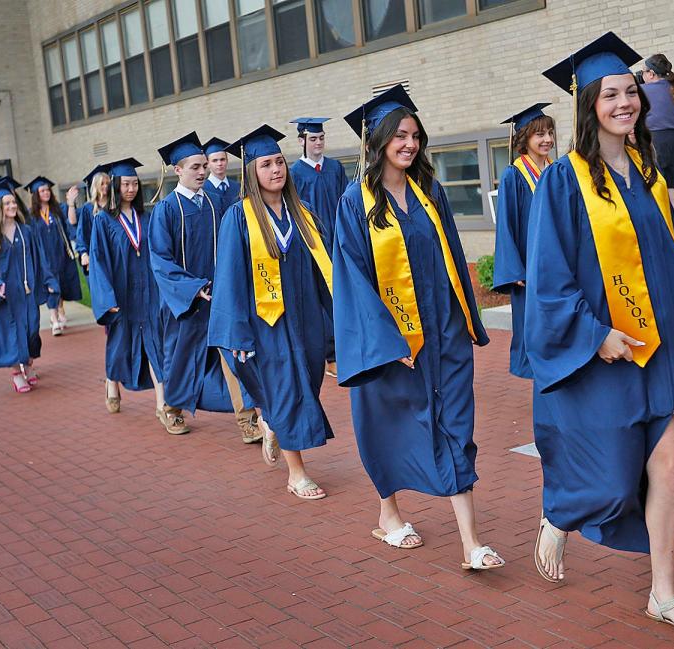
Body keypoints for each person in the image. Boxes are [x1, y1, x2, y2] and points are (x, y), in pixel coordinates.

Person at [530, 32, 674, 642]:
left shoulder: (651, 173)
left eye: (632, 92)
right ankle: (561, 512)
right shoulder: (564, 180)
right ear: (587, 106)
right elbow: (551, 275)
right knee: (613, 472)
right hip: (609, 350)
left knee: (672, 465)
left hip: (668, 347)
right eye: (611, 95)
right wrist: (594, 335)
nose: (625, 103)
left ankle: (665, 594)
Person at [332, 85, 502, 569]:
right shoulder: (355, 202)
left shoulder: (430, 192)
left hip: (443, 334)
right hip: (390, 342)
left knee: (455, 424)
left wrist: (465, 320)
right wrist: (386, 340)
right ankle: (389, 513)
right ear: (378, 141)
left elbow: (450, 257)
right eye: (399, 135)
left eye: (414, 135)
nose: (409, 144)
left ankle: (471, 543)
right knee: (389, 425)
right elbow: (352, 276)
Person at [210, 125, 334, 499]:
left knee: (306, 385)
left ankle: (270, 421)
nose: (276, 170)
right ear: (252, 172)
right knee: (286, 390)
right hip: (267, 325)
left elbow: (325, 270)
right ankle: (297, 473)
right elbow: (229, 277)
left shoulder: (303, 213)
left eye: (279, 162)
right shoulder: (239, 217)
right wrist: (238, 334)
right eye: (266, 164)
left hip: (307, 322)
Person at [149, 131, 260, 442]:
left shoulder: (215, 203)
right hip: (185, 301)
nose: (202, 172)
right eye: (195, 167)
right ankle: (172, 409)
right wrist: (192, 289)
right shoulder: (166, 210)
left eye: (203, 166)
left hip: (220, 296)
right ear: (178, 170)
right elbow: (160, 259)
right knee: (182, 357)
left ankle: (246, 419)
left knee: (233, 356)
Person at [87, 158, 172, 424]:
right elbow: (98, 260)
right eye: (126, 184)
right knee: (120, 343)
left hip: (148, 292)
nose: (131, 189)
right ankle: (112, 383)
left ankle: (162, 404)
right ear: (115, 186)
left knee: (156, 344)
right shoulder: (103, 221)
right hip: (121, 294)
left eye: (135, 183)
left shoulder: (146, 218)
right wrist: (107, 298)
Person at [0, 178, 58, 393]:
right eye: (6, 204)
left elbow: (40, 258)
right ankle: (16, 373)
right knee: (10, 333)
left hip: (26, 290)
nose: (12, 206)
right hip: (4, 293)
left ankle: (29, 364)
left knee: (31, 330)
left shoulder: (26, 232)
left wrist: (48, 281)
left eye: (13, 202)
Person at [493, 103, 555, 379]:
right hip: (529, 267)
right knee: (534, 324)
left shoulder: (557, 170)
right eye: (539, 134)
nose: (547, 140)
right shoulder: (513, 175)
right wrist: (514, 267)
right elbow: (506, 223)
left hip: (557, 261)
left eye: (550, 133)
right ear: (525, 138)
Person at [289, 117, 348, 378]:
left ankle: (346, 346)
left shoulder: (335, 168)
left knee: (343, 294)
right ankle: (330, 354)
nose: (318, 142)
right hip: (313, 244)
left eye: (321, 137)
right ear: (301, 141)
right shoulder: (294, 173)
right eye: (313, 138)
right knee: (322, 297)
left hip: (339, 240)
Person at [25, 176, 82, 335]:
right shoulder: (32, 215)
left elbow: (71, 222)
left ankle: (60, 309)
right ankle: (54, 319)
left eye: (47, 190)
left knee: (61, 283)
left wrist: (71, 203)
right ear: (36, 194)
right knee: (50, 285)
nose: (46, 193)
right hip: (43, 257)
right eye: (42, 190)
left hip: (60, 253)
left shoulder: (59, 209)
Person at [641, 53, 674, 227]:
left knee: (655, 190)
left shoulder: (645, 90)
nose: (642, 76)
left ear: (652, 74)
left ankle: (665, 235)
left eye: (644, 72)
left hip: (655, 141)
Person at [75, 165, 110, 277]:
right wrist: (84, 253)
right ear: (96, 186)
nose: (105, 186)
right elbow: (81, 233)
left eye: (107, 183)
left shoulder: (114, 205)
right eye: (102, 183)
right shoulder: (88, 208)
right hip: (95, 254)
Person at [202, 137, 240, 216]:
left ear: (227, 161)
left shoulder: (238, 187)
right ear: (207, 164)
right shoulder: (202, 189)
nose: (219, 163)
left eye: (222, 159)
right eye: (215, 160)